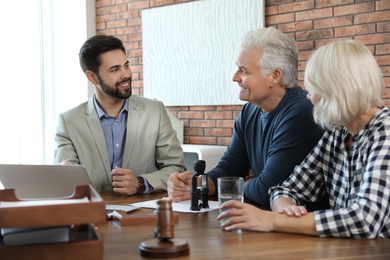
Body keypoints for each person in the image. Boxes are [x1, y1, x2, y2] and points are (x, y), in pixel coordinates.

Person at [218, 39, 390, 239]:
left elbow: (365, 220)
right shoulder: (337, 133)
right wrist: (287, 208)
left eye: (315, 89)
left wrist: (272, 220)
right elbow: (284, 189)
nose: (310, 97)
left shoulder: (385, 133)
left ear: (338, 90)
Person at [167, 27, 324, 207]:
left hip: (300, 229)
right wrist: (198, 185)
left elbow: (267, 189)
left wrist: (244, 183)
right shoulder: (250, 111)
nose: (235, 77)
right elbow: (231, 167)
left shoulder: (302, 112)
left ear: (275, 76)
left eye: (244, 71)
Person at [54, 35, 186, 195]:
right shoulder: (69, 122)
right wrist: (66, 172)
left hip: (143, 215)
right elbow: (64, 171)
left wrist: (140, 183)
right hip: (91, 214)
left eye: (126, 66)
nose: (126, 74)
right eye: (115, 69)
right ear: (92, 77)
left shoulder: (155, 111)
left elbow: (176, 168)